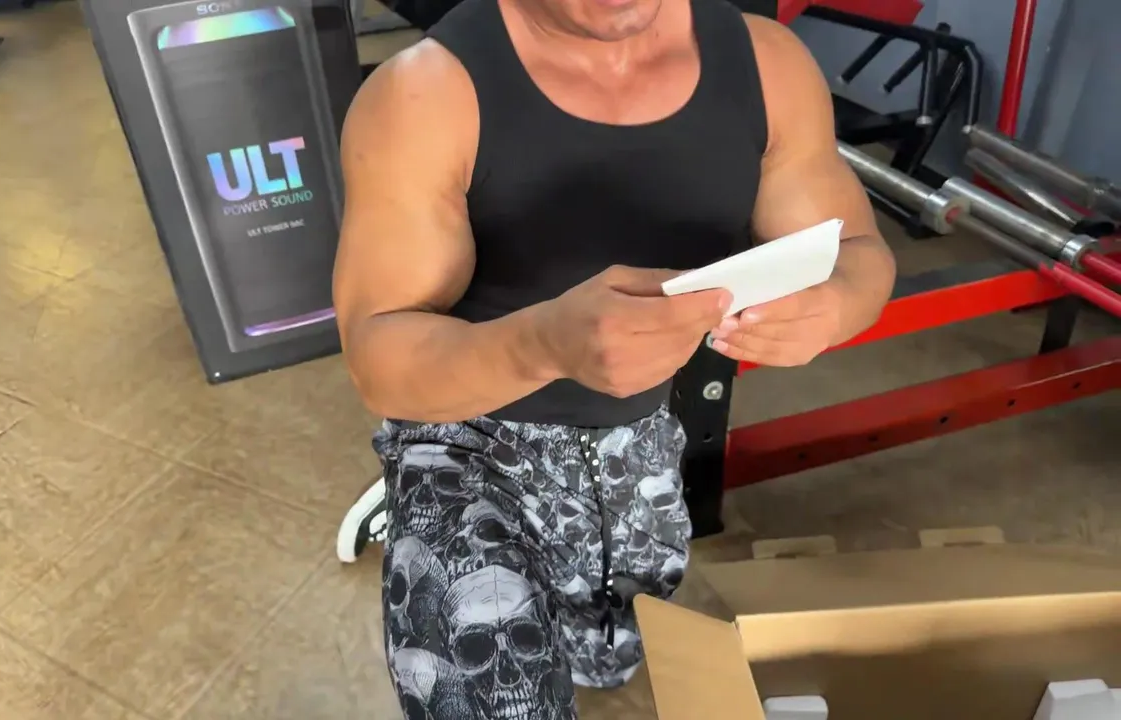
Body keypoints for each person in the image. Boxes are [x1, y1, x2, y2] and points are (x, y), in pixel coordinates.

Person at [332, 0, 895, 714]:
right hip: (469, 439)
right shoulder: (424, 94)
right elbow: (377, 357)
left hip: (639, 439)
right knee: (496, 684)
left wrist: (834, 305)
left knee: (610, 655)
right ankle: (417, 506)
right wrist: (542, 344)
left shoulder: (768, 65)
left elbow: (860, 254)